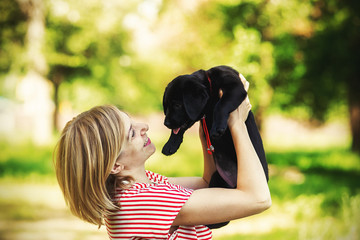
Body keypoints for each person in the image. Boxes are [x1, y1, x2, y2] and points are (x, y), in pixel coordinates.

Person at [54, 75, 271, 240]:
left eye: (131, 121)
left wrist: (207, 127)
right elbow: (258, 199)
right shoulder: (142, 202)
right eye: (131, 133)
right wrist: (236, 122)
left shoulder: (136, 186)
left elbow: (208, 184)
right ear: (114, 165)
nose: (144, 127)